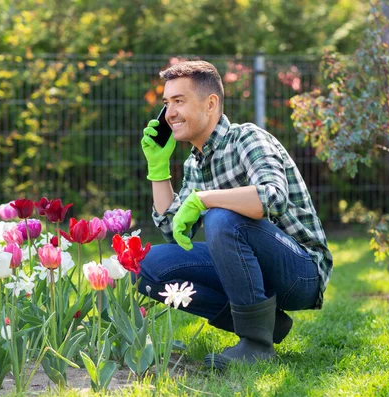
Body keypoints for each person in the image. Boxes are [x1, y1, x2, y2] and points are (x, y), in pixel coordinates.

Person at [137, 60, 333, 370]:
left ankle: (256, 345)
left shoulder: (248, 139)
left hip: (299, 272)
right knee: (146, 266)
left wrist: (204, 200)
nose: (170, 112)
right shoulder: (194, 163)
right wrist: (158, 170)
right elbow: (173, 229)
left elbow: (273, 198)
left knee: (220, 217)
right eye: (166, 103)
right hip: (243, 266)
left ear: (210, 103)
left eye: (179, 101)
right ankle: (267, 326)